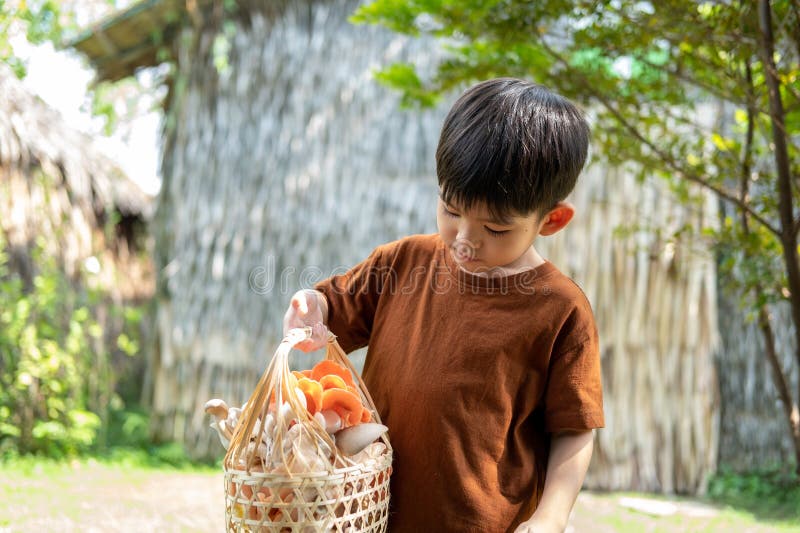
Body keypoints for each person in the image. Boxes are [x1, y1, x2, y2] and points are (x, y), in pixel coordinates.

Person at [283, 78, 604, 533]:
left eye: (495, 229)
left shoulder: (560, 311)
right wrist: (311, 308)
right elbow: (332, 305)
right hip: (365, 514)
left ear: (552, 220)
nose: (466, 240)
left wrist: (550, 517)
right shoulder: (401, 263)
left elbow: (574, 430)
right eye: (451, 211)